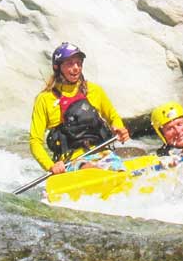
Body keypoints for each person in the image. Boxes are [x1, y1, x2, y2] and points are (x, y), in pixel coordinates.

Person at [29, 42, 130, 174]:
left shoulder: (94, 90)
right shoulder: (45, 99)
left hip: (102, 154)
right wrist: (50, 166)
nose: (76, 68)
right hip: (71, 161)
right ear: (57, 67)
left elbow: (113, 117)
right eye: (70, 63)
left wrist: (119, 128)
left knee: (117, 172)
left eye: (79, 62)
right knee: (92, 170)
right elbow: (35, 141)